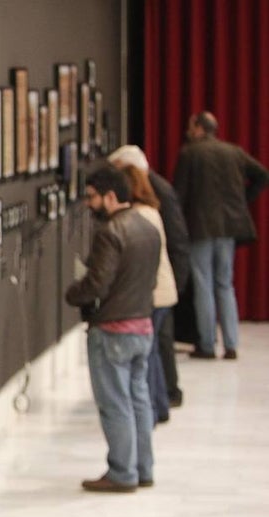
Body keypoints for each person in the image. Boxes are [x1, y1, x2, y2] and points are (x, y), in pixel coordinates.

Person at [66, 165, 161, 492]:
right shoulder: (149, 228)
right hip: (143, 326)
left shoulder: (110, 232)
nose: (89, 204)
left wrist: (73, 293)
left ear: (110, 196)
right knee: (138, 400)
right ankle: (143, 468)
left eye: (92, 197)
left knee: (115, 403)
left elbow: (97, 283)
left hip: (112, 330)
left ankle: (122, 472)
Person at [173, 111, 269, 360]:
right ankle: (231, 343)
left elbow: (179, 194)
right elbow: (262, 175)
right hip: (228, 229)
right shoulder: (234, 152)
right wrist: (242, 203)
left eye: (191, 127)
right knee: (225, 284)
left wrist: (176, 225)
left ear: (199, 129)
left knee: (203, 283)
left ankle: (206, 344)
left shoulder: (189, 153)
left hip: (199, 228)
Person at [108, 145, 191, 407]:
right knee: (154, 347)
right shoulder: (150, 199)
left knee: (155, 347)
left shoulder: (154, 198)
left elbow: (177, 240)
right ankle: (162, 398)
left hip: (159, 286)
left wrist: (176, 282)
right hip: (158, 285)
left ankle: (163, 397)